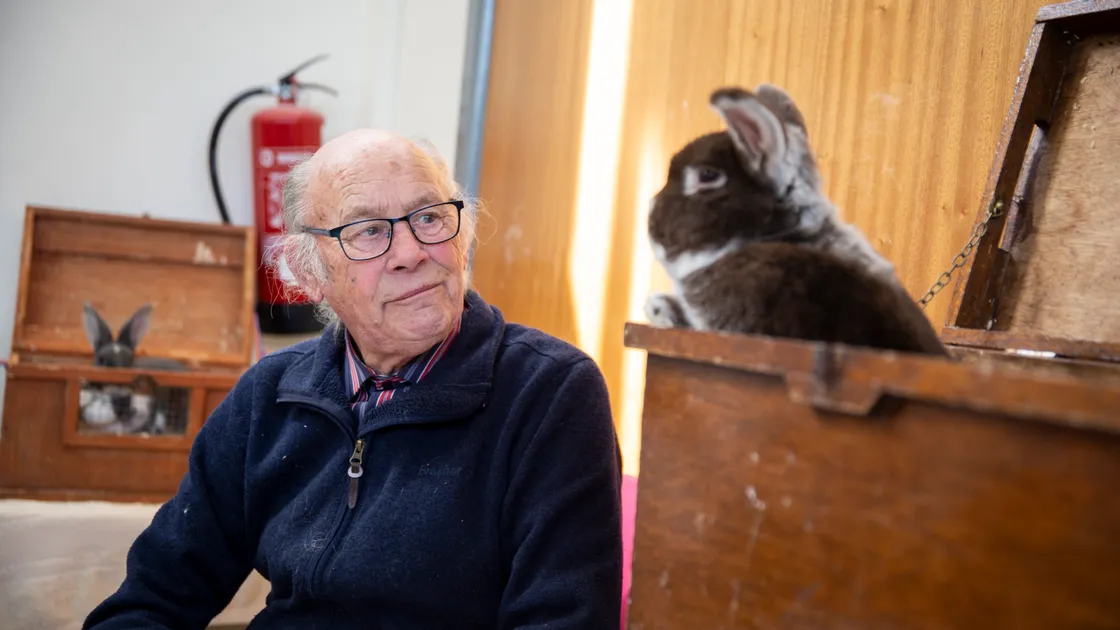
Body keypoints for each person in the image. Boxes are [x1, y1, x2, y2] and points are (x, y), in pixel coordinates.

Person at [83, 129, 624, 629]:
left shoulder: (551, 393)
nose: (411, 253)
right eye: (368, 232)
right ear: (308, 273)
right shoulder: (268, 396)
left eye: (431, 218)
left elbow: (562, 620)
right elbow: (153, 598)